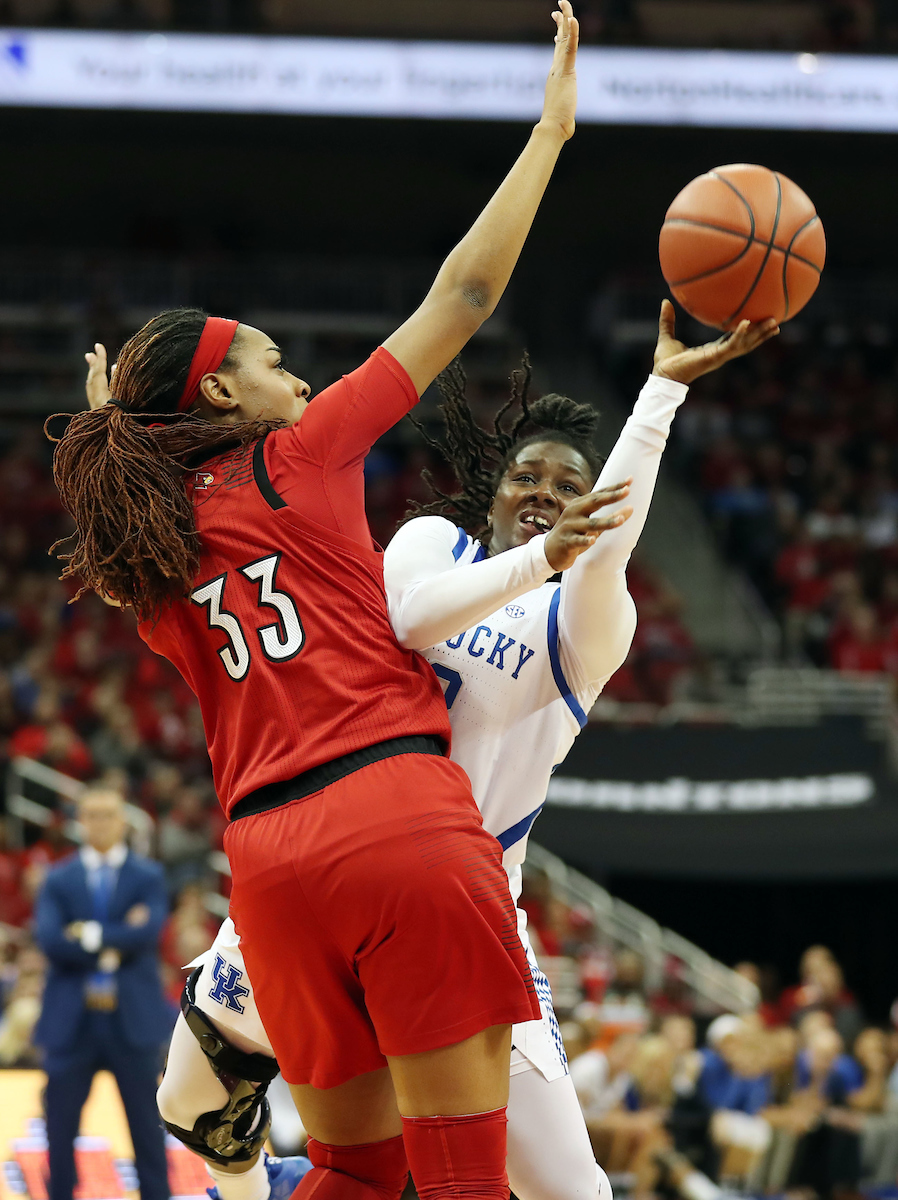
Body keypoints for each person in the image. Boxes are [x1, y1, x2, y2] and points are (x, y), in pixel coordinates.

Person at [51, 11, 595, 1200]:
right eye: (268, 358)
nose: (294, 372)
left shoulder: (149, 551)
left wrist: (115, 423)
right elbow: (464, 293)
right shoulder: (294, 453)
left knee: (353, 1171)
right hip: (393, 816)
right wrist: (550, 132)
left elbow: (118, 484)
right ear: (223, 396)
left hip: (267, 869)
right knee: (459, 1179)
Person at [148, 298, 775, 1200]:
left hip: (462, 904)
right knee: (192, 1105)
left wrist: (661, 392)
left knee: (569, 1192)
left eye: (570, 487)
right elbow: (409, 617)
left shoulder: (586, 624)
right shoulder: (427, 546)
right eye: (530, 477)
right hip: (344, 863)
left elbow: (603, 551)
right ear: (493, 488)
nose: (548, 498)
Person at [33, 785, 171, 1200]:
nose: (100, 823)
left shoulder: (148, 876)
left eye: (108, 815)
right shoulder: (58, 879)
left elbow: (147, 934)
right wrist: (117, 939)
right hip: (71, 1023)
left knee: (148, 1131)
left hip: (132, 1022)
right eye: (92, 815)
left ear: (123, 821)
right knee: (59, 1130)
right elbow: (50, 940)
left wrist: (87, 934)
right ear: (80, 822)